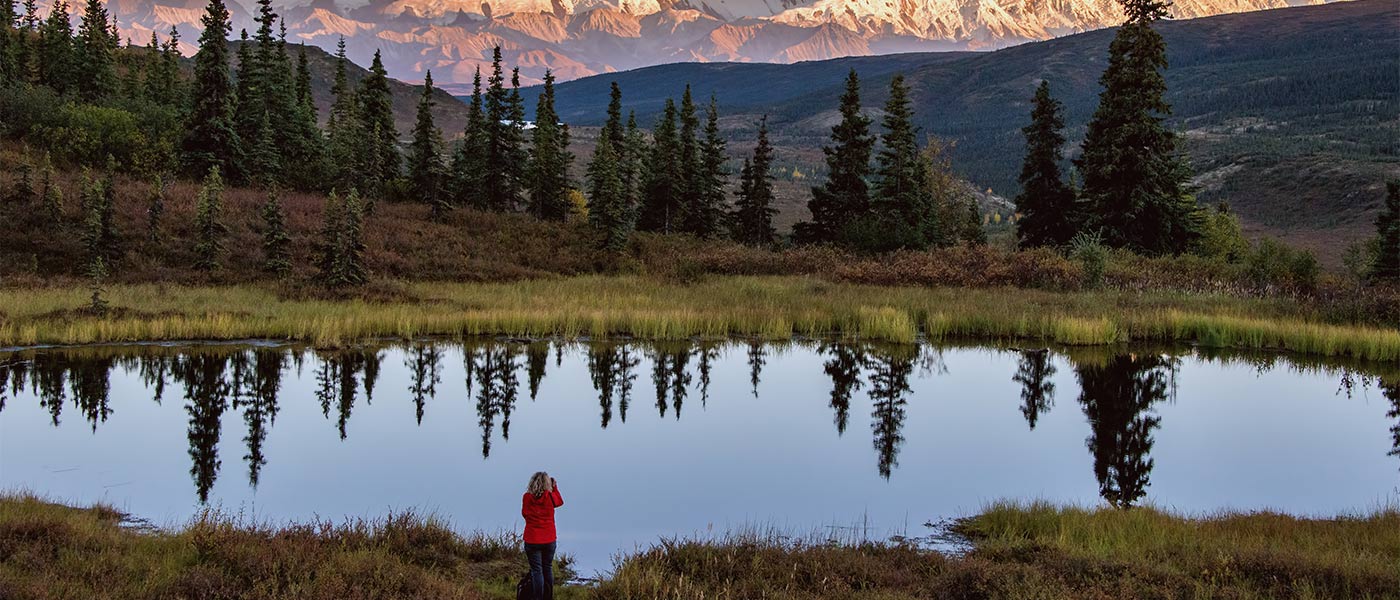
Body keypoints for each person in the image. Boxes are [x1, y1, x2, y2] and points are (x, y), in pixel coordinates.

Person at [522, 471, 563, 600]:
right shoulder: (550, 496)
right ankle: (548, 597)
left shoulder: (527, 497)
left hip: (532, 539)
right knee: (547, 568)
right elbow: (559, 502)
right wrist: (555, 488)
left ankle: (538, 598)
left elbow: (525, 514)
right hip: (549, 539)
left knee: (537, 570)